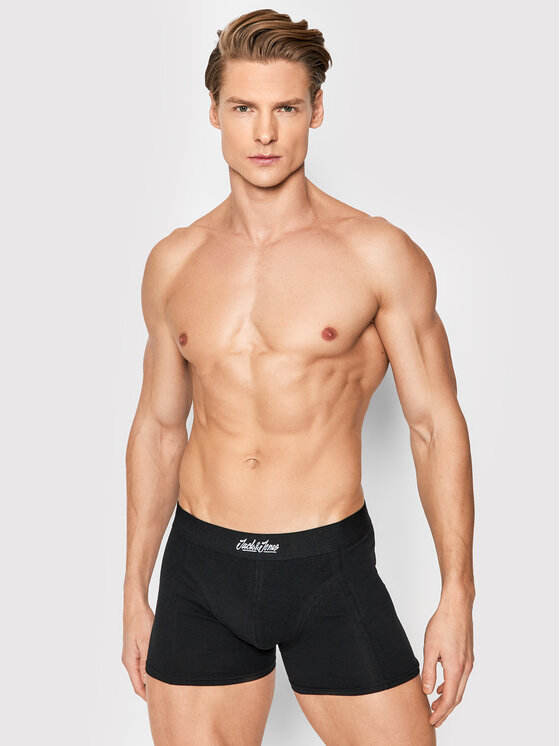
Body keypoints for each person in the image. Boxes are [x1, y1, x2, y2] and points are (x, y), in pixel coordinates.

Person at [121, 9, 475, 745]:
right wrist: (134, 587)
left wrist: (457, 594)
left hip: (326, 569)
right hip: (200, 572)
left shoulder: (376, 254)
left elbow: (433, 426)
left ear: (316, 110)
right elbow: (158, 428)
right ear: (214, 112)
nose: (264, 133)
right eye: (243, 108)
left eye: (285, 108)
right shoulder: (175, 262)